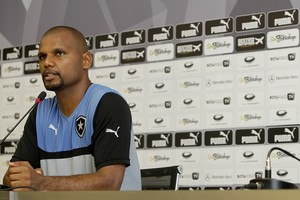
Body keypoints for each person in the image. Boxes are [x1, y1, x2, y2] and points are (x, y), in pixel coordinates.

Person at [2, 26, 141, 191]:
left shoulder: (107, 103)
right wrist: (21, 179)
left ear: (86, 61)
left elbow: (109, 183)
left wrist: (40, 182)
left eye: (59, 53)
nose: (47, 62)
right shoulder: (40, 112)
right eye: (42, 56)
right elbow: (10, 177)